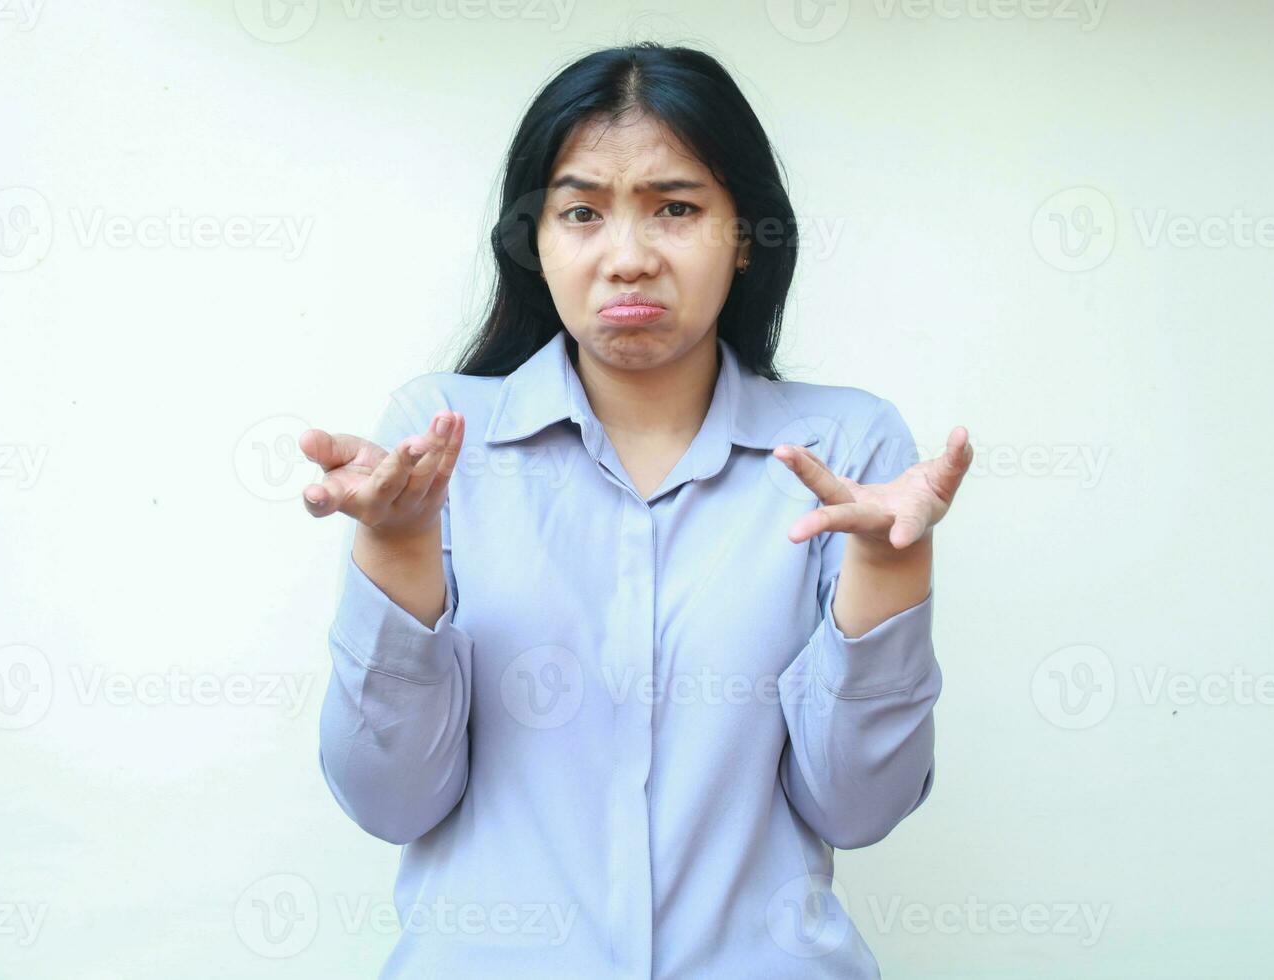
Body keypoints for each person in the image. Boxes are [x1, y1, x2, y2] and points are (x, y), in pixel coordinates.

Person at [297, 42, 972, 980]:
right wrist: (399, 551)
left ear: (745, 236)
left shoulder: (845, 452)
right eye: (581, 212)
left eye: (677, 209)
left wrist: (892, 571)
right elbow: (390, 801)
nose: (628, 258)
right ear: (536, 240)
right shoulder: (439, 441)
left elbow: (857, 811)